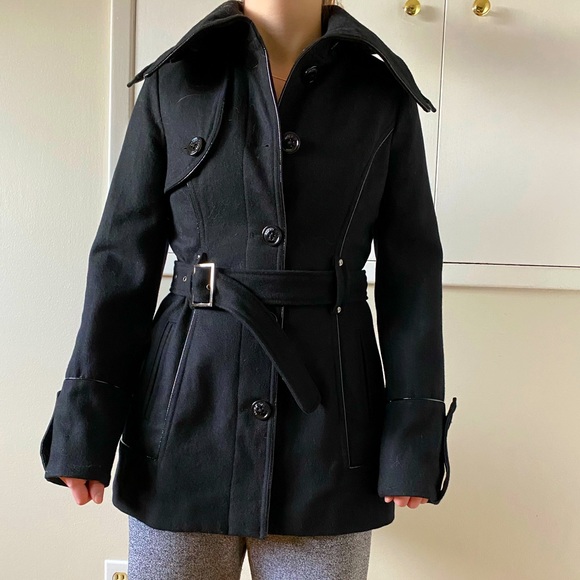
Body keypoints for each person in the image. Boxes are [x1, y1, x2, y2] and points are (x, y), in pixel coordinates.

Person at [39, 0, 457, 577]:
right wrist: (85, 429)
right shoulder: (174, 81)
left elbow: (412, 273)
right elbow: (121, 260)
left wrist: (413, 437)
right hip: (183, 424)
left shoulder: (381, 92)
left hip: (330, 439)